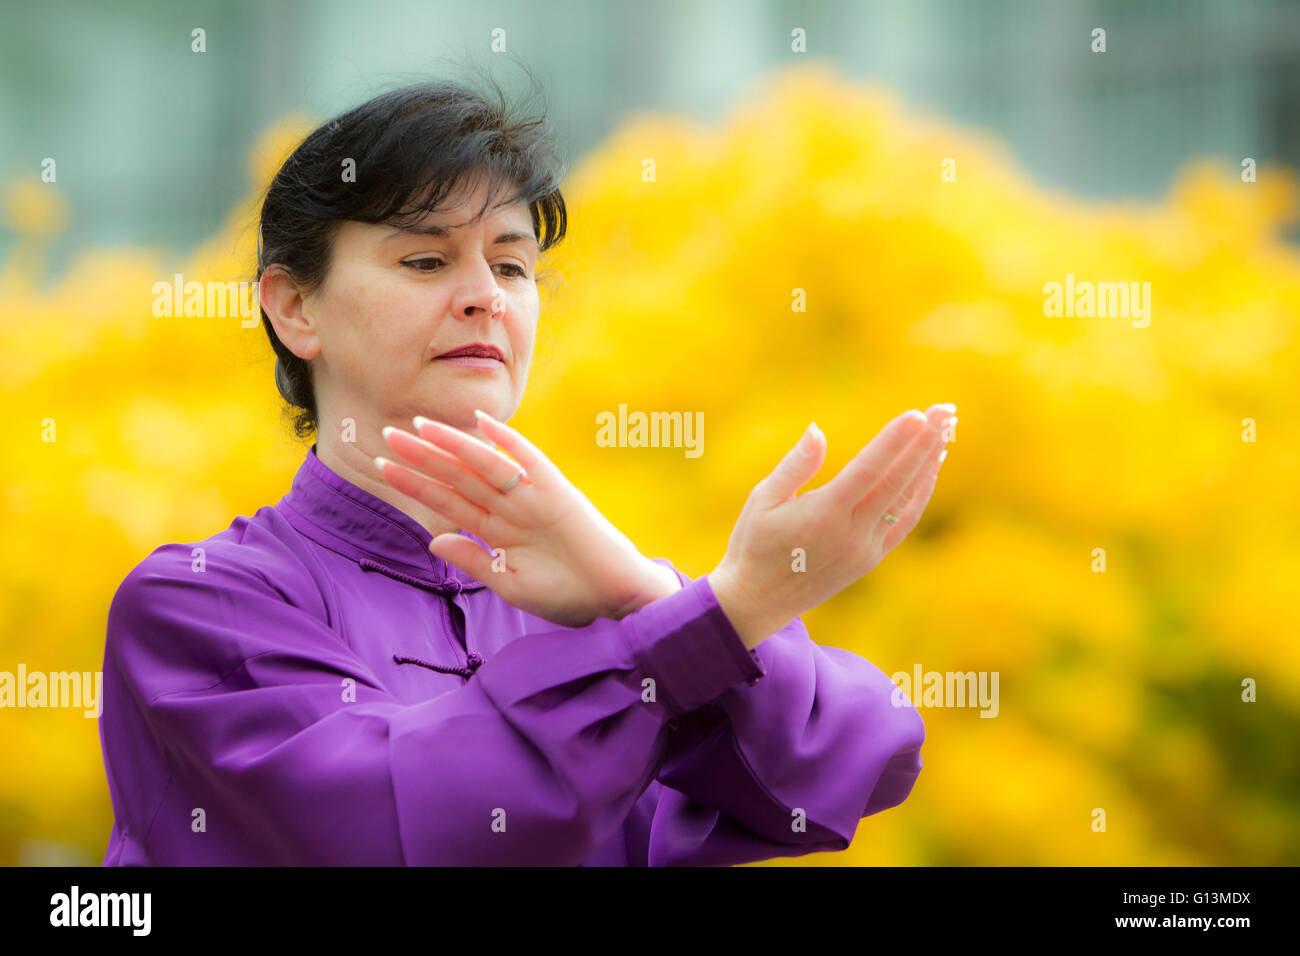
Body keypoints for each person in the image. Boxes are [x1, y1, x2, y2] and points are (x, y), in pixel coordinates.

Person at [98, 75, 953, 866]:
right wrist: (720, 615)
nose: (488, 297)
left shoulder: (594, 590)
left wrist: (648, 595)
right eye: (426, 261)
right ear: (293, 307)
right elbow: (396, 825)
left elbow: (861, 765)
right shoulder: (199, 605)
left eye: (511, 265)